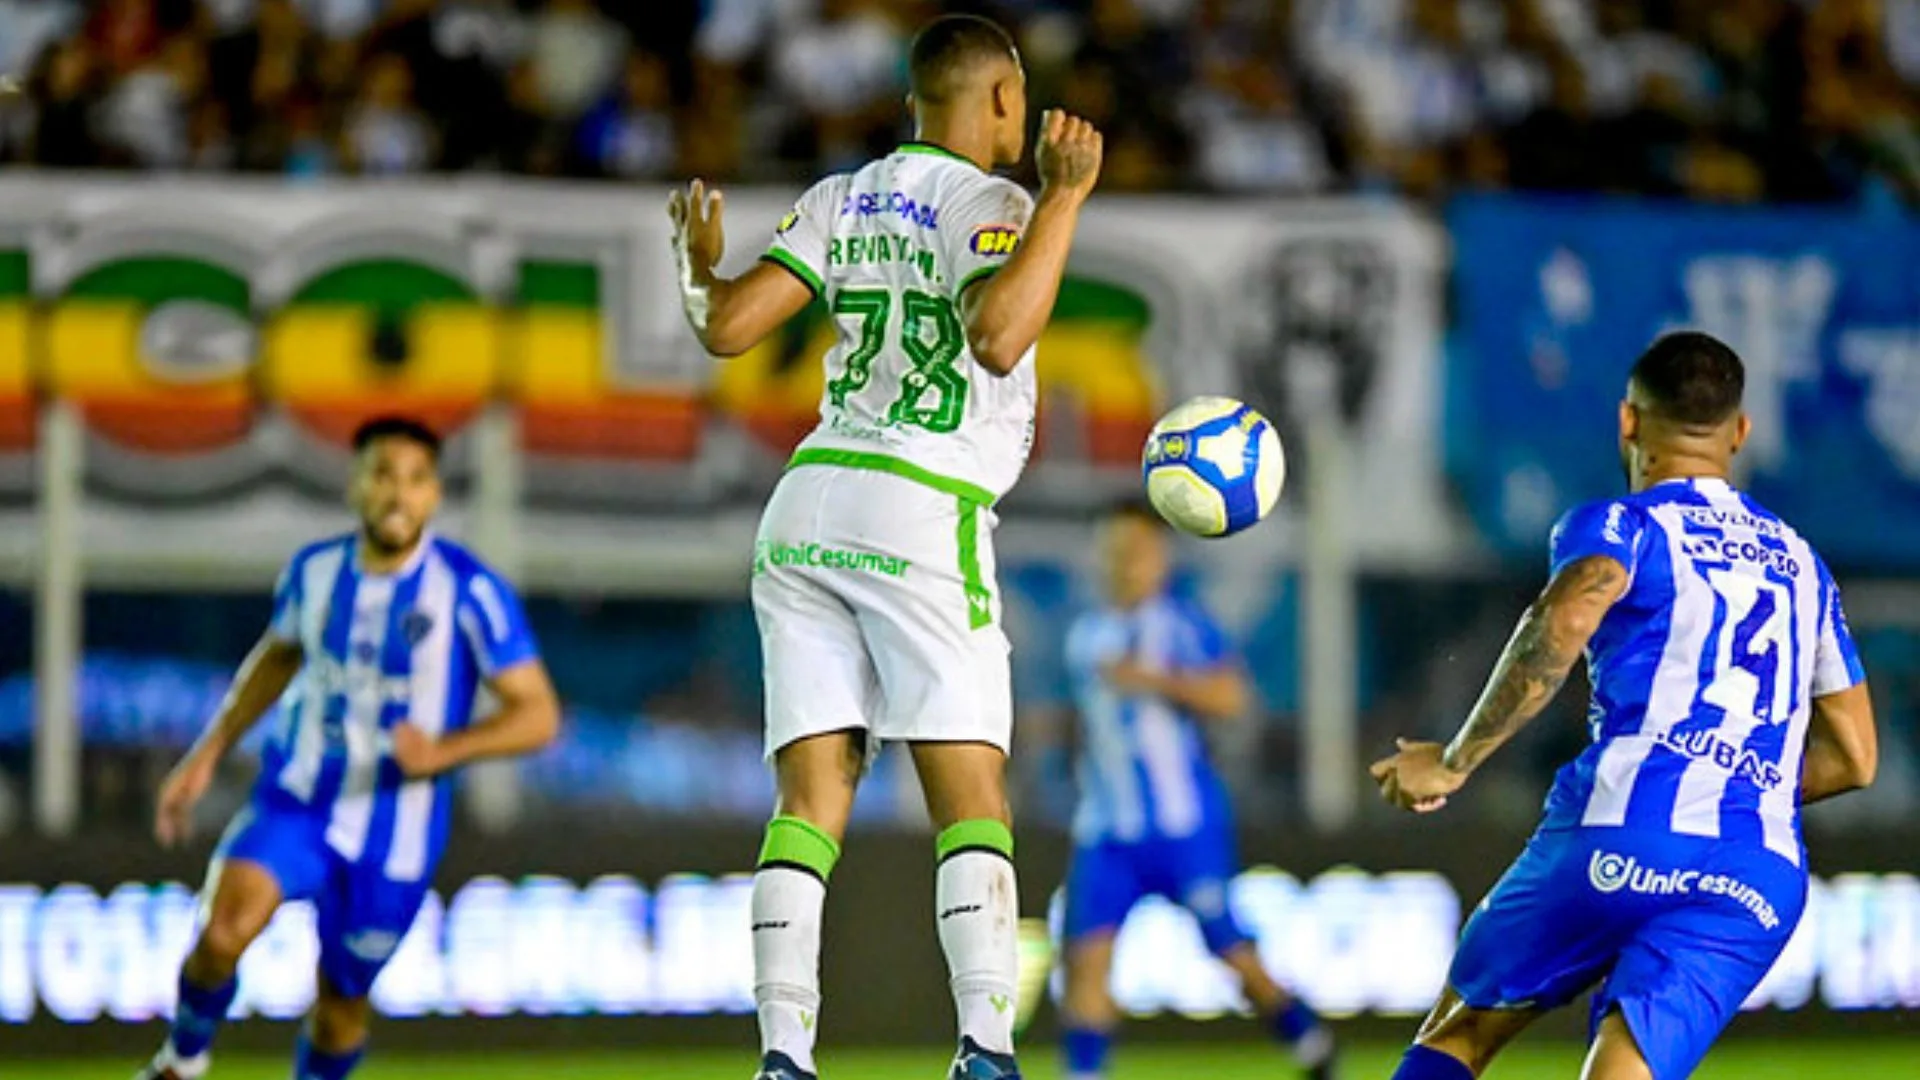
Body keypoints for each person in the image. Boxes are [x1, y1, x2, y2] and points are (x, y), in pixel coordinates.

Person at [666, 13, 1103, 1080]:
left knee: (810, 805)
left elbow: (724, 326)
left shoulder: (840, 197)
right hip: (921, 502)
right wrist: (1064, 201)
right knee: (971, 799)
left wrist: (694, 263)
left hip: (808, 502)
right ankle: (986, 1049)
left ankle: (783, 1055)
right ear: (999, 98)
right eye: (1018, 94)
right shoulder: (997, 203)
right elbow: (998, 336)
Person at [1370, 331, 1878, 1080]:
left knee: (1461, 1034)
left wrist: (1453, 761)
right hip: (1754, 873)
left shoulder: (1623, 526)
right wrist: (1738, 784)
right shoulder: (1805, 566)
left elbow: (1569, 615)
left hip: (1621, 834)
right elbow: (1856, 757)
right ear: (1739, 433)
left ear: (1629, 422)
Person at [136, 416, 561, 1080]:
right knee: (221, 934)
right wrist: (208, 753)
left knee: (339, 1005)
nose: (398, 494)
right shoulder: (315, 573)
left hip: (395, 830)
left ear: (434, 496)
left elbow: (537, 714)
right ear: (356, 486)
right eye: (383, 475)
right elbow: (276, 659)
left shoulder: (468, 590)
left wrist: (444, 752)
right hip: (296, 799)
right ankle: (181, 1061)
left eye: (416, 479)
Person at [1057, 501, 1337, 1080]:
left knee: (1234, 957)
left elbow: (1234, 698)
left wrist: (1153, 680)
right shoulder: (1086, 634)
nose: (1124, 563)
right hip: (1106, 831)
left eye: (1135, 551)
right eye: (1115, 552)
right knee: (1086, 964)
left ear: (1159, 558)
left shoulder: (1180, 626)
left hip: (1183, 828)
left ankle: (1311, 1046)